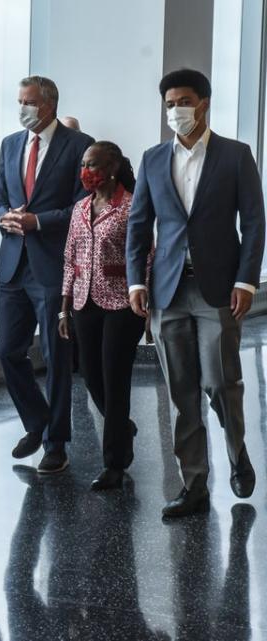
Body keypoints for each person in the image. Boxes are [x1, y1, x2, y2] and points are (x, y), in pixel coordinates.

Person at [127, 68, 265, 518]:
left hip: (217, 290)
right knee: (181, 391)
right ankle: (194, 484)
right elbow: (138, 224)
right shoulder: (151, 159)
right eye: (169, 103)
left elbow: (255, 223)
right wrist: (136, 280)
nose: (175, 111)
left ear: (203, 102)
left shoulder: (236, 155)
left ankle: (236, 450)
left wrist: (246, 280)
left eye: (183, 101)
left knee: (221, 382)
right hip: (167, 290)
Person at [0, 76, 94, 473]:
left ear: (49, 105)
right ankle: (37, 421)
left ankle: (56, 444)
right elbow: (0, 199)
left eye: (29, 101)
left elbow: (83, 206)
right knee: (7, 351)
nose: (22, 107)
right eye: (19, 100)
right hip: (12, 264)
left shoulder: (79, 146)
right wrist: (7, 217)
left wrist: (39, 221)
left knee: (56, 357)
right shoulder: (10, 144)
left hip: (52, 265)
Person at [58, 141, 146, 490]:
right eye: (83, 164)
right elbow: (70, 258)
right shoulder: (80, 208)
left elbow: (145, 255)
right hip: (84, 302)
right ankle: (122, 426)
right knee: (91, 376)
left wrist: (145, 296)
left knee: (114, 377)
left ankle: (114, 463)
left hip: (123, 304)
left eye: (92, 165)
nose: (86, 172)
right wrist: (63, 308)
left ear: (111, 167)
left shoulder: (132, 206)